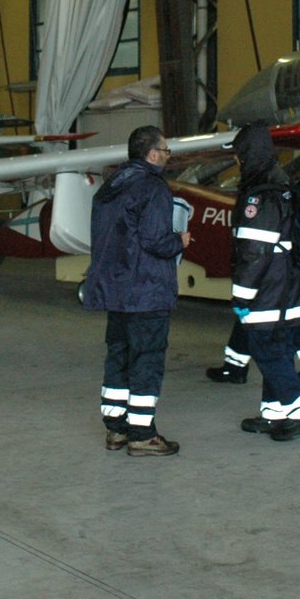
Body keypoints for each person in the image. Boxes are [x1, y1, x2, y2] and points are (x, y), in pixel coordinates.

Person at [83, 125, 190, 457]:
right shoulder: (153, 187)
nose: (169, 156)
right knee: (146, 359)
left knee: (119, 357)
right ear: (153, 154)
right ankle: (142, 434)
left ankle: (115, 429)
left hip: (115, 291)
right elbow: (155, 240)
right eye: (167, 150)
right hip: (146, 290)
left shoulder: (110, 186)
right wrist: (180, 241)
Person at [225, 123, 300, 441]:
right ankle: (274, 412)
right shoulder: (283, 184)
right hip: (293, 287)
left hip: (270, 292)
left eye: (239, 156)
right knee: (279, 349)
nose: (238, 163)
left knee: (266, 350)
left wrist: (241, 296)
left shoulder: (259, 197)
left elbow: (254, 253)